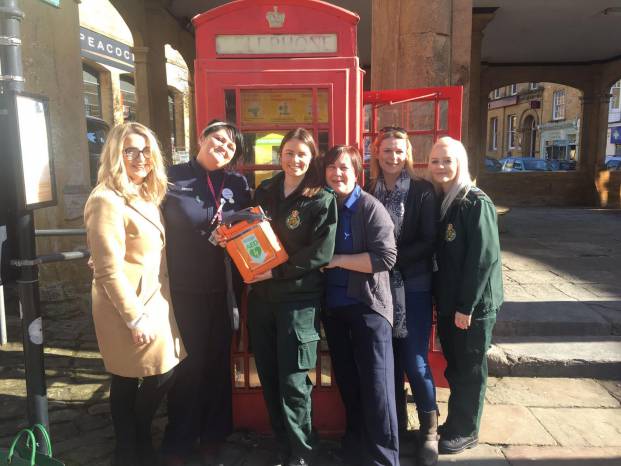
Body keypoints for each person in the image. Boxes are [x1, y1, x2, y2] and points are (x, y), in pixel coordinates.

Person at [84, 122, 186, 466]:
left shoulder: (144, 193)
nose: (140, 158)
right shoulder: (105, 199)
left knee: (137, 375)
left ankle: (132, 444)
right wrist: (133, 316)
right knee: (145, 374)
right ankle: (132, 444)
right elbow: (108, 269)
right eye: (130, 150)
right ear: (115, 154)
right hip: (125, 304)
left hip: (154, 297)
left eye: (145, 151)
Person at [161, 120, 251, 465]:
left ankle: (214, 436)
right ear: (202, 138)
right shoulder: (171, 177)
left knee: (216, 366)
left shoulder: (238, 183)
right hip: (183, 289)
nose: (223, 147)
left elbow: (252, 225)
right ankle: (178, 441)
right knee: (186, 368)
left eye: (230, 146)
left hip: (225, 289)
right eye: (218, 139)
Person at [247, 128, 337, 466]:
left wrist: (277, 271)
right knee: (268, 377)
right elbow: (249, 232)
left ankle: (303, 451)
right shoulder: (266, 189)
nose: (294, 159)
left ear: (311, 157)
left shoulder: (320, 197)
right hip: (261, 300)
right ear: (280, 154)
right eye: (289, 152)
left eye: (302, 153)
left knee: (294, 381)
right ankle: (282, 445)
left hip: (297, 302)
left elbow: (321, 252)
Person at [322, 145, 399, 466]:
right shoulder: (325, 205)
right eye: (332, 167)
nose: (337, 173)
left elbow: (386, 258)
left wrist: (338, 260)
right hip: (334, 309)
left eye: (344, 168)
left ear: (356, 174)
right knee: (348, 381)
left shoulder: (370, 207)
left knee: (377, 386)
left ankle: (384, 458)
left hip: (368, 309)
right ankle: (355, 447)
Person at [427, 137, 503, 455]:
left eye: (448, 160)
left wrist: (466, 305)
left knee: (470, 368)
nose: (441, 167)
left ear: (461, 163)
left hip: (471, 306)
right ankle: (457, 421)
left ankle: (467, 429)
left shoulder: (476, 202)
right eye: (435, 161)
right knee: (455, 366)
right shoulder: (446, 200)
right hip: (450, 303)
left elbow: (482, 258)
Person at [368, 127, 439, 465]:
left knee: (414, 359)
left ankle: (429, 430)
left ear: (407, 153)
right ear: (377, 153)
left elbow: (429, 240)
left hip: (414, 284)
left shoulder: (423, 191)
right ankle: (397, 426)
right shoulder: (368, 190)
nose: (393, 157)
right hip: (377, 288)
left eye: (399, 151)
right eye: (387, 150)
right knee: (388, 363)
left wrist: (387, 259)